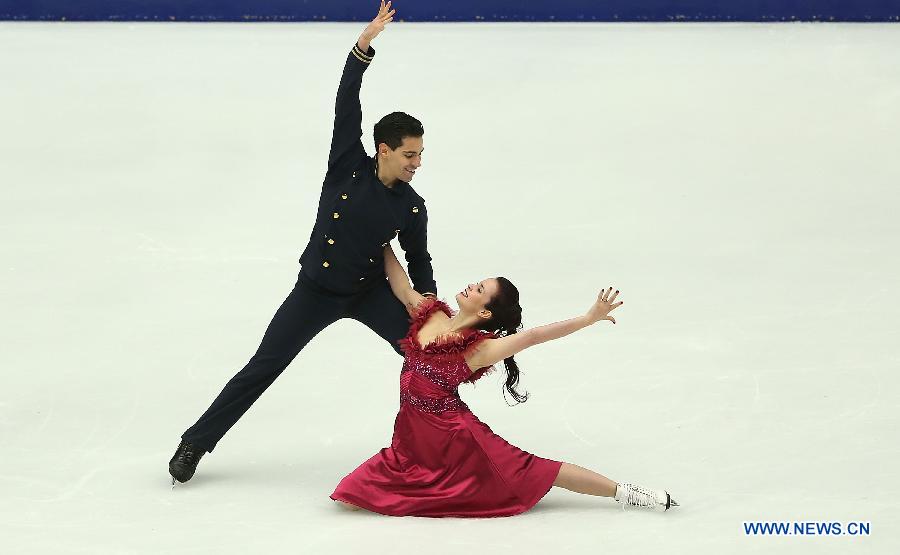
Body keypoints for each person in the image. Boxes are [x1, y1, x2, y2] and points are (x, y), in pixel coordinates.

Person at [168, 1, 435, 483]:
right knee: (264, 365)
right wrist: (363, 47)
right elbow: (346, 102)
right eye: (410, 154)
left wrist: (429, 307)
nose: (417, 163)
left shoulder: (410, 207)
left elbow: (420, 261)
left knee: (427, 359)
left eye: (420, 155)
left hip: (369, 292)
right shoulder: (347, 161)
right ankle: (194, 442)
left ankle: (457, 441)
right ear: (384, 150)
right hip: (313, 291)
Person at [329, 245, 678, 516]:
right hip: (411, 441)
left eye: (479, 288)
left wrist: (589, 318)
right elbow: (402, 284)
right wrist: (381, 236)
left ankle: (625, 491)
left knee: (538, 470)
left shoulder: (479, 350)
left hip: (456, 438)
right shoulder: (430, 314)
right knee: (350, 495)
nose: (470, 285)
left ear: (483, 312)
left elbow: (535, 335)